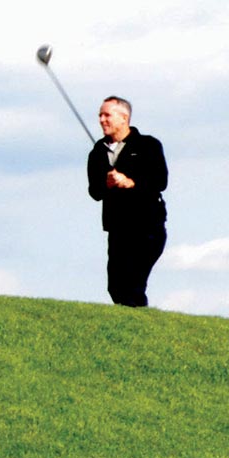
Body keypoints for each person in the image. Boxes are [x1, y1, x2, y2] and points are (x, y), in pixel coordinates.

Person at [87, 96, 168, 307]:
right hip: (117, 229)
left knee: (133, 284)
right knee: (115, 286)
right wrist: (107, 184)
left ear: (124, 118)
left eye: (107, 115)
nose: (102, 120)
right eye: (100, 115)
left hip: (147, 227)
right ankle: (130, 326)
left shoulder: (148, 146)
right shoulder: (97, 152)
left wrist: (130, 182)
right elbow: (95, 192)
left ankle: (141, 328)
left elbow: (160, 181)